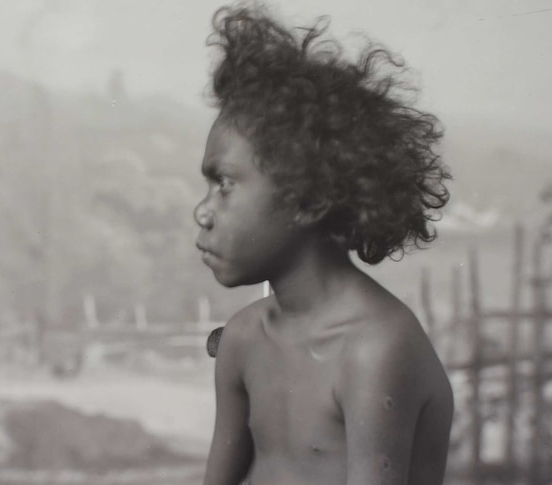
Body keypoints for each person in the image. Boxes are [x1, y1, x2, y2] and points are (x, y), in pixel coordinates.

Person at [194, 4, 453, 484]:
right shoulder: (243, 339)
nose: (202, 212)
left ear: (307, 199)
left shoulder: (374, 348)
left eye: (225, 184)